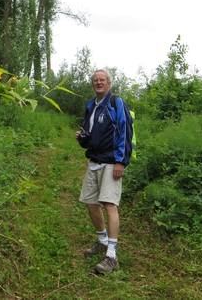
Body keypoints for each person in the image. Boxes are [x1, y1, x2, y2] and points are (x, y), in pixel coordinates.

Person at [76, 69, 132, 274]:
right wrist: (83, 138)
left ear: (109, 83)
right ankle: (102, 240)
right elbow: (89, 136)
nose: (98, 82)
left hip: (111, 162)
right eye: (95, 80)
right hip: (94, 161)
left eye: (102, 80)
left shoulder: (116, 103)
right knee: (91, 203)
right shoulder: (91, 106)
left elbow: (125, 132)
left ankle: (112, 255)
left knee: (109, 205)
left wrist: (121, 162)